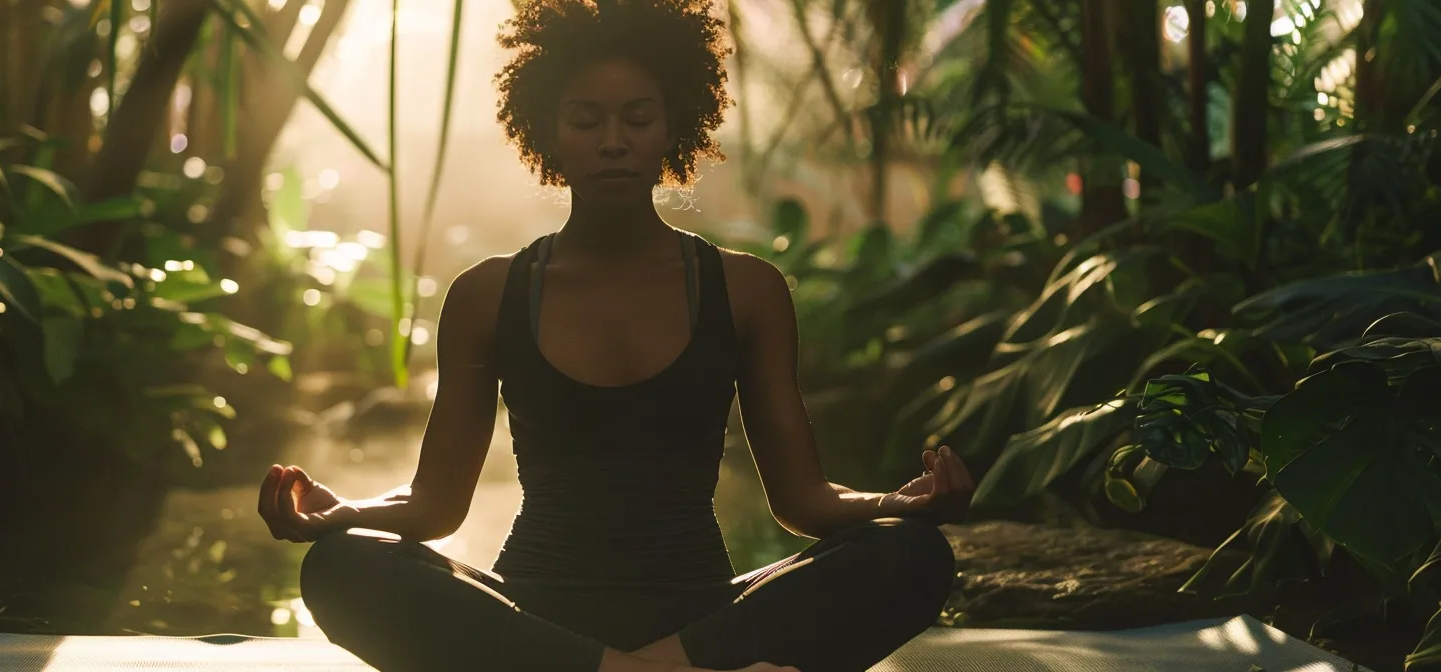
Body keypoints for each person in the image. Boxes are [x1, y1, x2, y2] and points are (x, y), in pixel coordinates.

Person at [257, 1, 975, 670]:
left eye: (636, 118)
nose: (612, 142)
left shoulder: (744, 288)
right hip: (534, 610)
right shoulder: (488, 294)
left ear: (673, 126)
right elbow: (436, 506)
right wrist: (342, 512)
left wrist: (895, 506)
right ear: (546, 128)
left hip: (700, 615)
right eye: (586, 119)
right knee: (341, 563)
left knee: (913, 555)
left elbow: (802, 501)